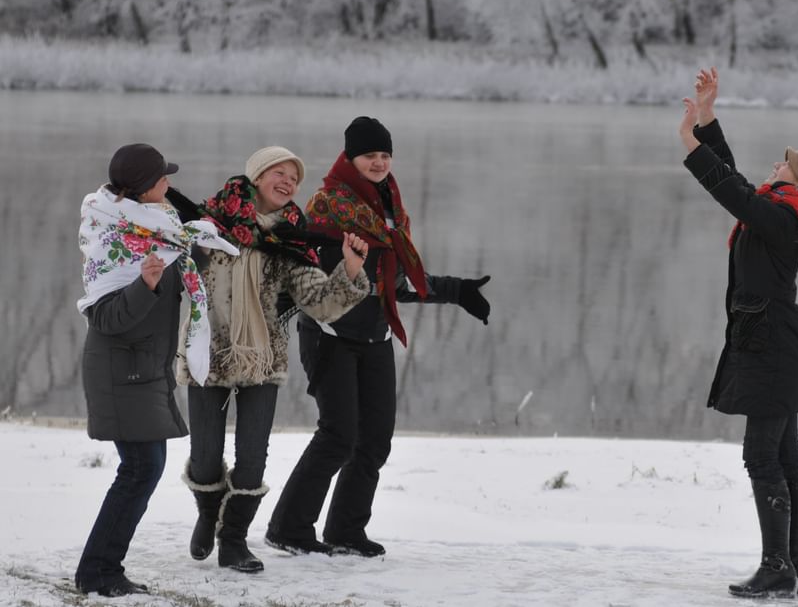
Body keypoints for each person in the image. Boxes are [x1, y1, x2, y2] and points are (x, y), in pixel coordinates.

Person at [264, 117, 491, 558]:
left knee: (375, 440)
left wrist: (457, 290)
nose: (380, 163)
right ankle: (288, 528)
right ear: (351, 158)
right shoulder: (329, 207)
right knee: (338, 435)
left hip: (375, 336)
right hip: (330, 335)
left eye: (385, 156)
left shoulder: (388, 209)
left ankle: (345, 530)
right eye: (371, 155)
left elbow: (395, 283)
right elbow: (315, 282)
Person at [678, 68, 798, 599]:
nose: (776, 163)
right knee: (784, 457)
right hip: (774, 341)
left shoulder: (782, 219)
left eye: (785, 163)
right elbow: (743, 185)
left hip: (774, 346)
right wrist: (707, 119)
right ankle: (795, 567)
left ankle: (778, 568)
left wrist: (690, 147)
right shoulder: (782, 211)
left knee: (763, 457)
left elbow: (737, 194)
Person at [175, 146, 370, 574]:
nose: (288, 183)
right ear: (257, 176)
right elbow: (178, 272)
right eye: (279, 173)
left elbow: (320, 304)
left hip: (263, 359)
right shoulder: (209, 222)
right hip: (209, 353)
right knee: (205, 458)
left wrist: (351, 271)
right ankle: (210, 514)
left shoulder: (291, 239)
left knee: (253, 458)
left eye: (294, 178)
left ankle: (233, 540)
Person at [75, 143, 238, 597]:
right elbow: (107, 318)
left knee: (141, 469)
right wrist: (144, 286)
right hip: (120, 369)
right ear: (147, 188)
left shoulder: (154, 229)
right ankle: (97, 572)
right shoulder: (112, 236)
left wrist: (195, 246)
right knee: (141, 469)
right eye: (163, 179)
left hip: (142, 368)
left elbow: (176, 269)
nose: (170, 184)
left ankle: (102, 569)